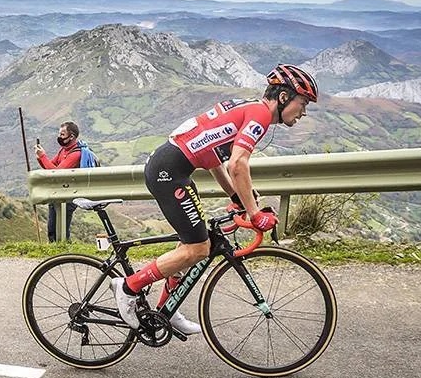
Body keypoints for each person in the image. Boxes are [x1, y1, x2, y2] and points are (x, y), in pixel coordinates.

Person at [111, 64, 319, 336]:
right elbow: (238, 165)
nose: (303, 112)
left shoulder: (248, 108)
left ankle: (166, 310)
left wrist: (236, 197)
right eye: (302, 103)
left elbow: (214, 160)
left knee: (191, 245)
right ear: (283, 98)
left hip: (172, 169)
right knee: (198, 249)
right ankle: (128, 287)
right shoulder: (260, 116)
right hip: (168, 172)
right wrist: (255, 213)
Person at [35, 120, 83, 242]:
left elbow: (57, 173)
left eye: (62, 134)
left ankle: (64, 251)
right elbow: (50, 166)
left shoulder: (75, 154)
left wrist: (42, 156)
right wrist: (40, 158)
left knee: (62, 229)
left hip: (70, 195)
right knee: (52, 227)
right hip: (58, 192)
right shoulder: (63, 150)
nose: (59, 137)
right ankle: (54, 252)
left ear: (71, 136)